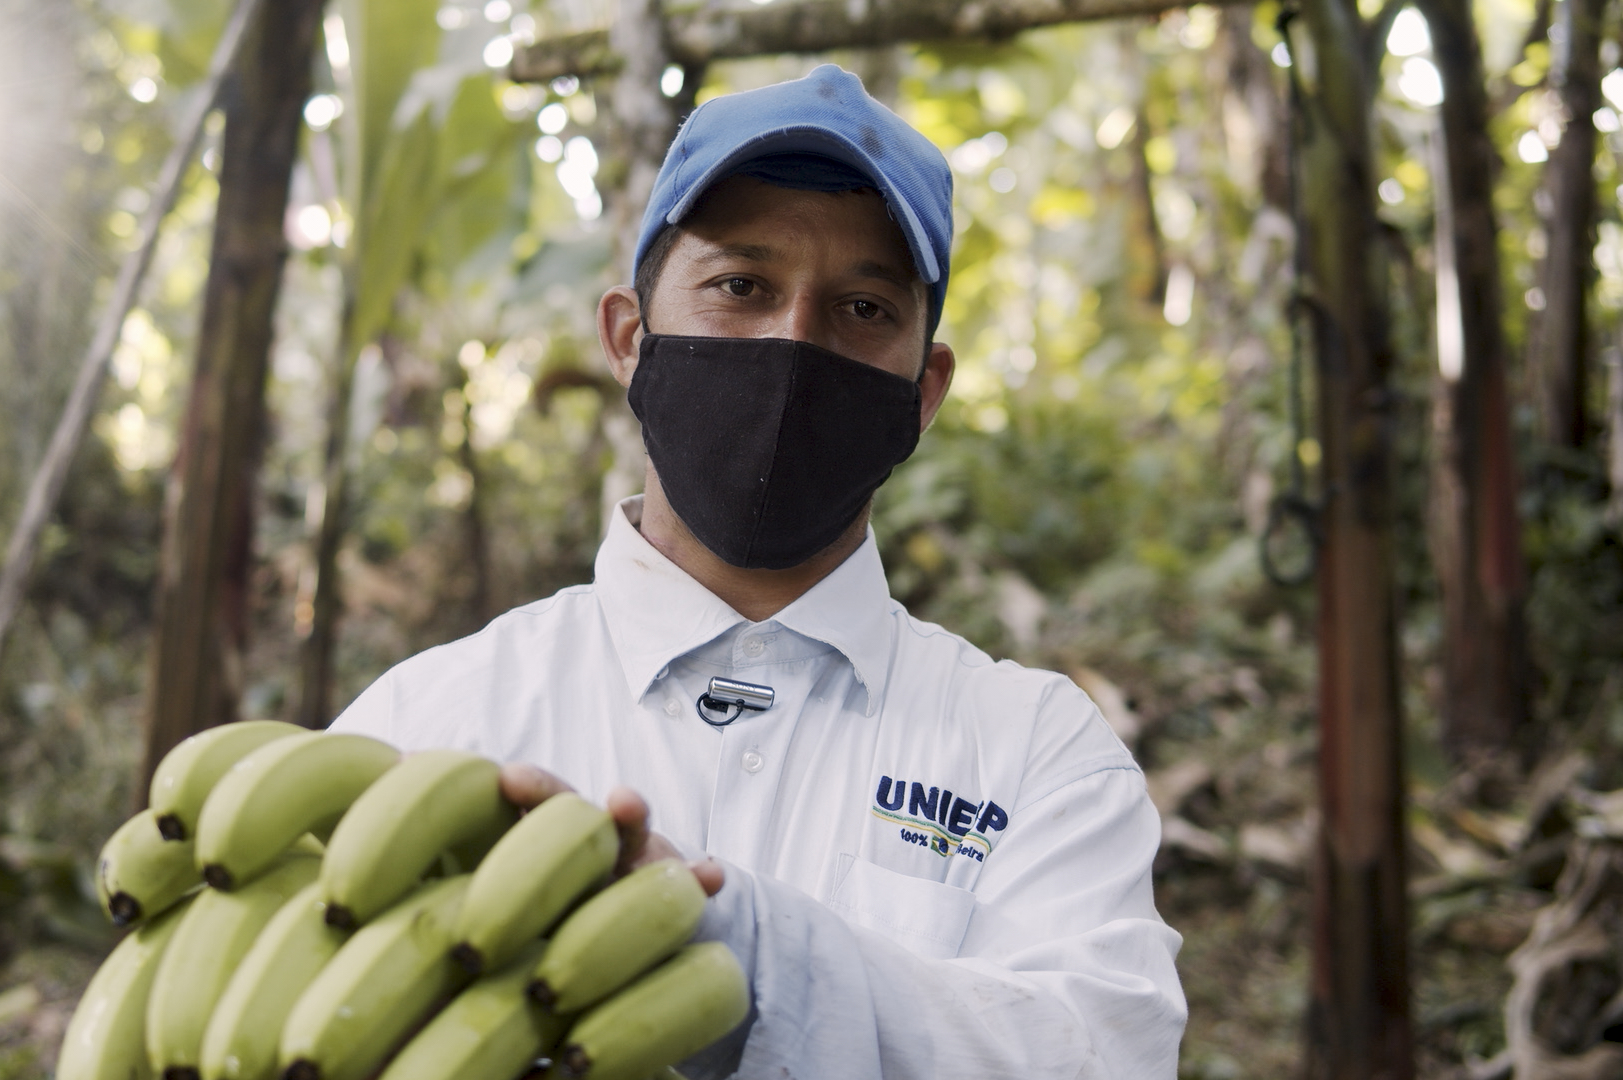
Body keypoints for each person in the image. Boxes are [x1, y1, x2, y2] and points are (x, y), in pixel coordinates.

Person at [331, 63, 1186, 1078]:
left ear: (924, 391)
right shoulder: (432, 725)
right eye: (742, 286)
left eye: (863, 308)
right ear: (629, 339)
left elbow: (1095, 1052)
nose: (793, 343)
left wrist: (746, 956)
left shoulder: (1039, 759)